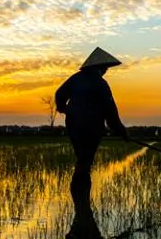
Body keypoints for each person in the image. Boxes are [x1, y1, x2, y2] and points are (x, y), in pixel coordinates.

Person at [55, 47, 130, 183]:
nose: (106, 71)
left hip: (73, 126)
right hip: (92, 128)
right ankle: (81, 196)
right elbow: (111, 113)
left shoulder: (75, 79)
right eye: (105, 68)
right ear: (100, 67)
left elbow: (59, 95)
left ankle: (81, 200)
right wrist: (121, 131)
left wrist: (66, 110)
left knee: (82, 159)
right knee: (85, 162)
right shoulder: (101, 84)